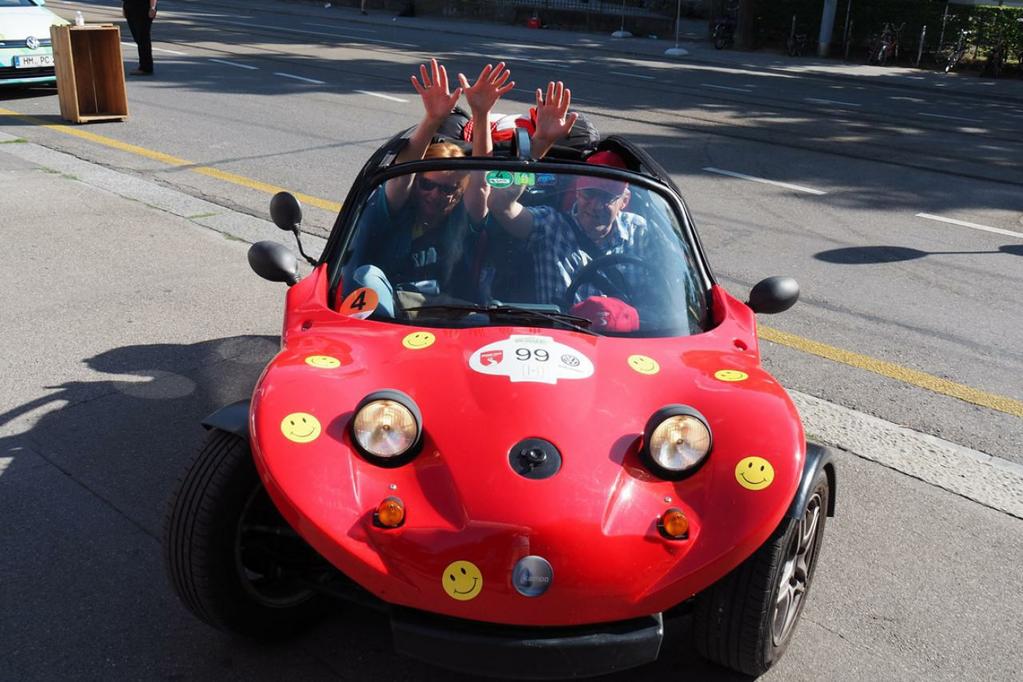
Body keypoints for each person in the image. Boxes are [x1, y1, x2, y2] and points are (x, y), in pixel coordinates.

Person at [348, 58, 513, 312]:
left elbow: (480, 181)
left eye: (448, 189)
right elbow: (402, 174)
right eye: (427, 185)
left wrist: (481, 115)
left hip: (452, 317)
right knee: (367, 275)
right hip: (393, 315)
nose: (435, 195)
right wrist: (433, 118)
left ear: (459, 193)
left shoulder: (463, 218)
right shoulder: (396, 210)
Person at [487, 81, 668, 309]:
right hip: (561, 337)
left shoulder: (640, 232)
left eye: (606, 197)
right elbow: (499, 204)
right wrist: (539, 145)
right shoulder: (551, 225)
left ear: (625, 201)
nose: (594, 205)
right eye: (589, 194)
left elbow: (670, 290)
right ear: (577, 192)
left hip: (626, 339)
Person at [123, 0, 157, 76]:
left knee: (143, 37)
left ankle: (146, 67)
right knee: (138, 38)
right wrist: (124, 8)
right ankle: (145, 65)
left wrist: (152, 7)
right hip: (130, 8)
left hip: (143, 9)